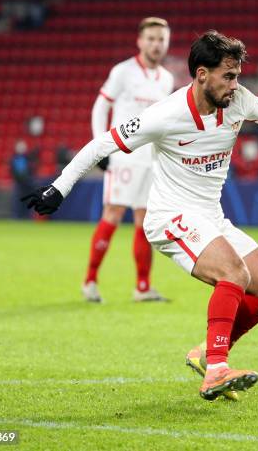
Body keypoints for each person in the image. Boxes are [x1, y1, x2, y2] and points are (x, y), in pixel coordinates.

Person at [22, 31, 258, 401]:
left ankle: (206, 352)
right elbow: (102, 142)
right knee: (234, 273)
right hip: (170, 217)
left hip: (212, 218)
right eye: (228, 76)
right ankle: (217, 369)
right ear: (202, 74)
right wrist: (59, 188)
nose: (235, 85)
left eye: (237, 76)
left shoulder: (237, 100)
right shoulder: (166, 115)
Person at [83, 17, 175, 303]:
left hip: (151, 160)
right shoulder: (123, 71)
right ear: (140, 41)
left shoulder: (167, 79)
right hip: (123, 157)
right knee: (112, 214)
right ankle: (90, 281)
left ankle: (143, 287)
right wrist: (101, 146)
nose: (156, 44)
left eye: (161, 39)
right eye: (151, 38)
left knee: (145, 222)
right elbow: (101, 106)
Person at [10, 139, 36, 219]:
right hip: (19, 183)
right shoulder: (14, 159)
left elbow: (32, 169)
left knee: (28, 201)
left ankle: (27, 217)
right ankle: (17, 217)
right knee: (18, 201)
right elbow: (12, 171)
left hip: (27, 183)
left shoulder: (28, 158)